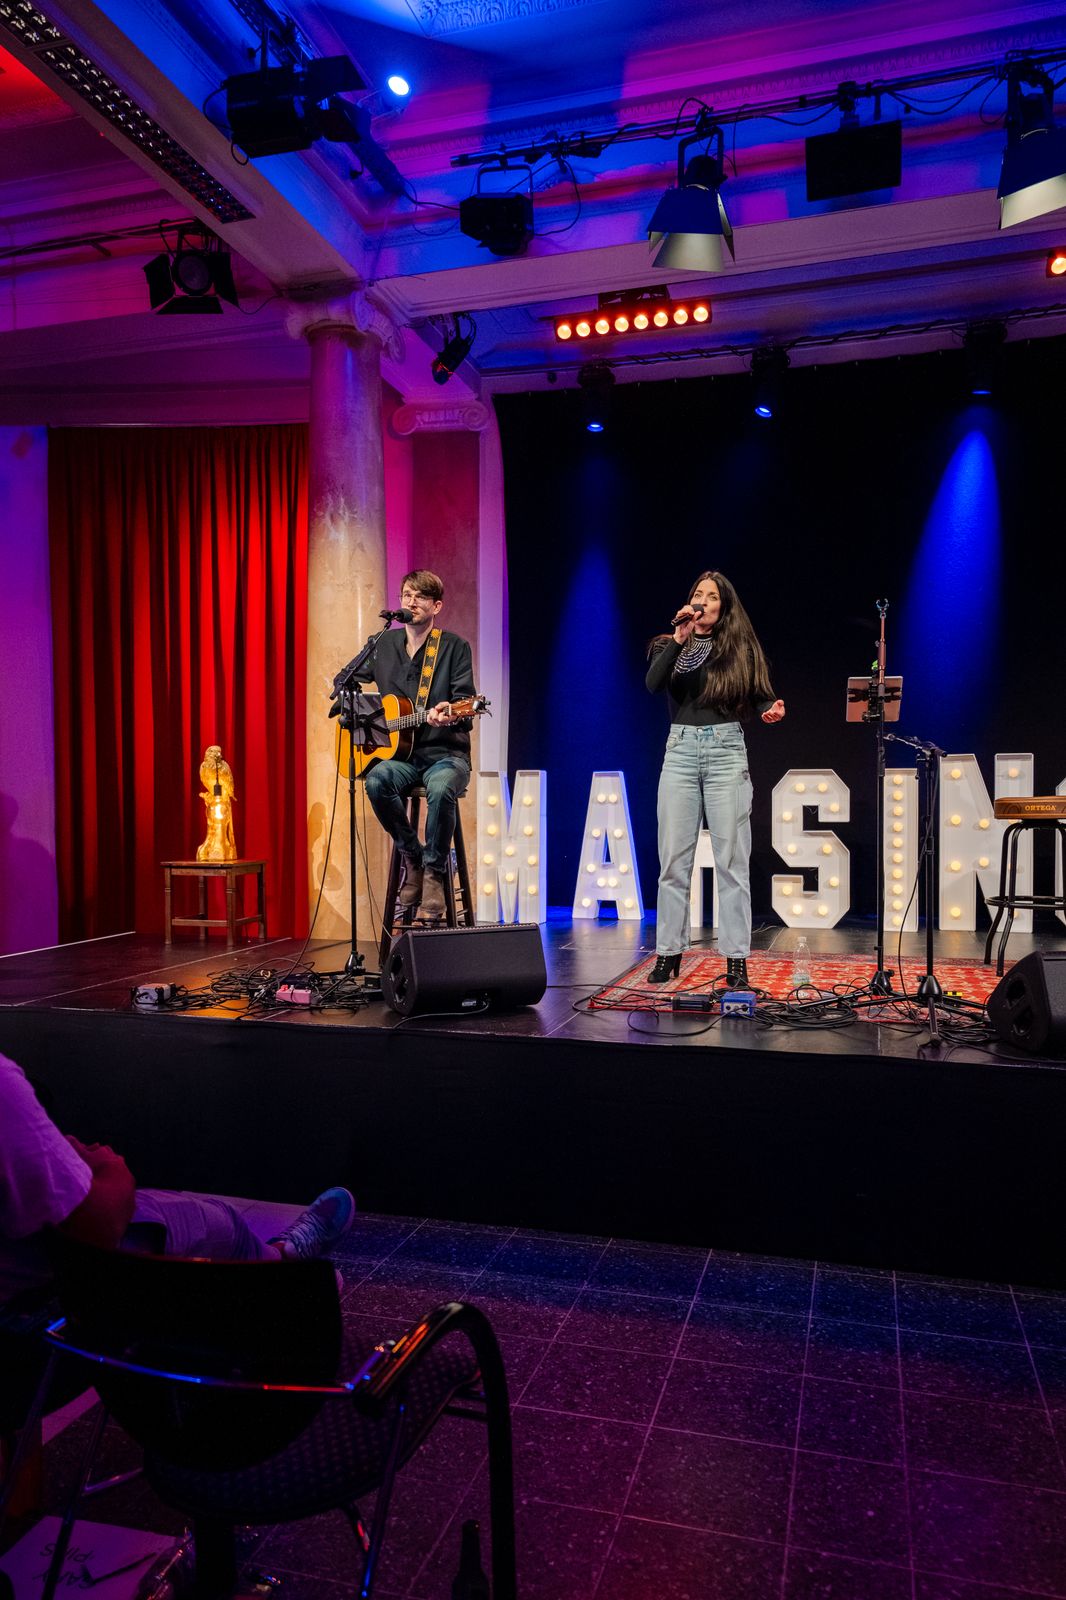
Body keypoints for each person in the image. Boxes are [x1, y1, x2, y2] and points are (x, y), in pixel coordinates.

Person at [0, 1050, 356, 1311]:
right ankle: (285, 1271)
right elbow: (98, 1230)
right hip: (37, 1305)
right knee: (219, 1223)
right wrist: (111, 1167)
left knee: (172, 1208)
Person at [645, 570, 785, 987]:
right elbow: (653, 684)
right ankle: (668, 951)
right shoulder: (669, 644)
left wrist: (770, 708)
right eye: (697, 594)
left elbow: (760, 694)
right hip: (680, 752)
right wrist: (680, 637)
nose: (702, 601)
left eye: (711, 596)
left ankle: (736, 958)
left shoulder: (739, 647)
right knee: (673, 861)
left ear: (724, 607)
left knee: (731, 862)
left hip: (725, 752)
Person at [351, 570, 475, 924]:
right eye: (407, 594)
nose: (412, 601)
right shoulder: (383, 644)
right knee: (377, 781)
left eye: (421, 596)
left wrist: (447, 713)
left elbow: (466, 704)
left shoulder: (453, 647)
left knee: (441, 787)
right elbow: (350, 684)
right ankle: (413, 855)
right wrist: (356, 713)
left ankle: (435, 871)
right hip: (401, 757)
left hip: (445, 755)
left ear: (436, 606)